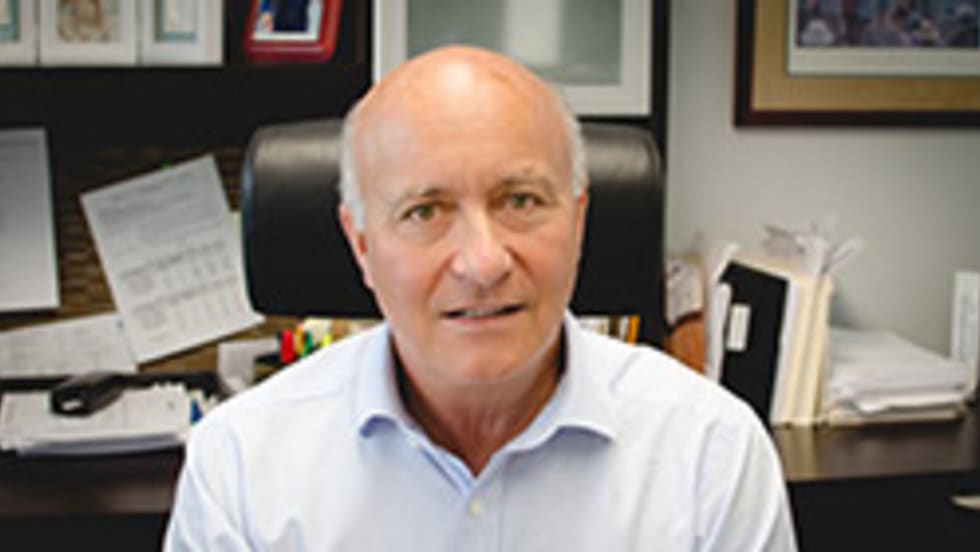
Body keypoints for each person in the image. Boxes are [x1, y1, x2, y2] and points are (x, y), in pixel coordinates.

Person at [164, 45, 797, 551]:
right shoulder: (241, 466)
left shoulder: (712, 455)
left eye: (520, 201)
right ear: (362, 246)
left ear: (578, 222)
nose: (483, 262)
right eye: (425, 211)